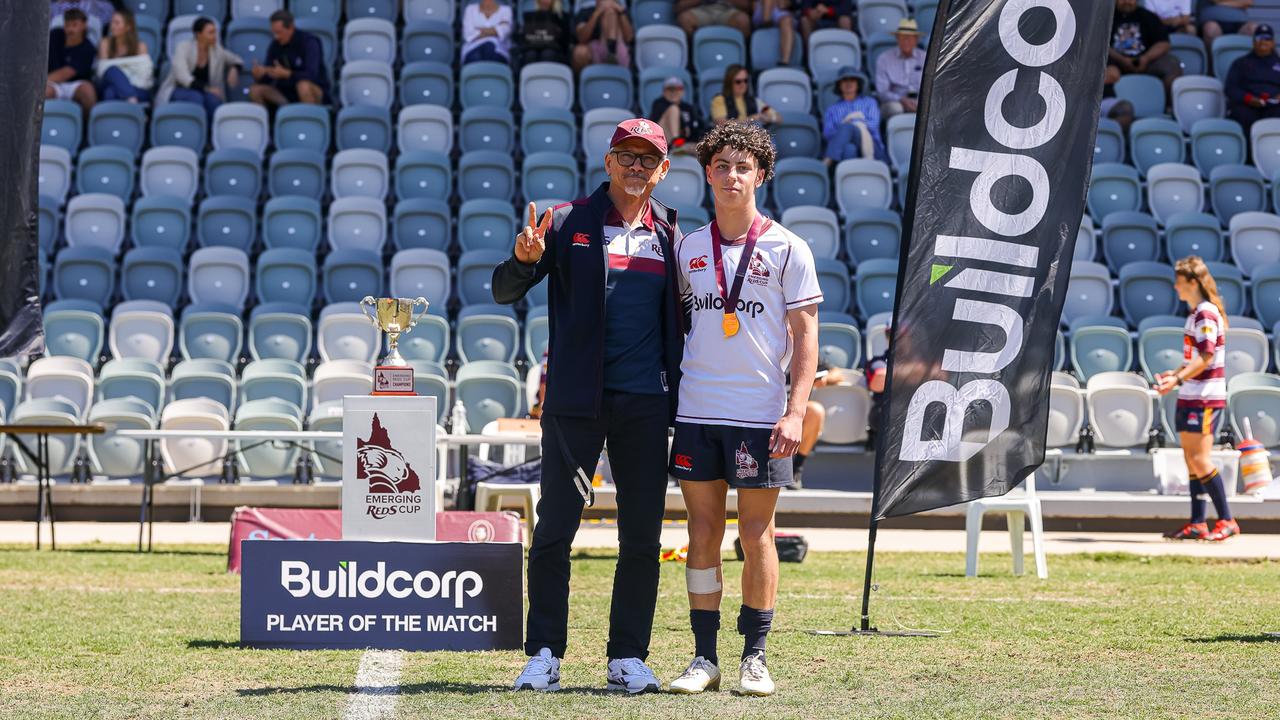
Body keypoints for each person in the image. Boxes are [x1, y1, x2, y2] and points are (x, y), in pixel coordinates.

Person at [493, 118, 684, 694]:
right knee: (554, 529)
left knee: (642, 536)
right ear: (607, 163)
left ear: (662, 170)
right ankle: (545, 652)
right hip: (576, 404)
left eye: (646, 159)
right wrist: (526, 259)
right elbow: (505, 289)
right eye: (625, 156)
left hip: (646, 405)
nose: (635, 166)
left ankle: (627, 656)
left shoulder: (674, 233)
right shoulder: (568, 220)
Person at [667, 121, 822, 697]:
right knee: (702, 530)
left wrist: (794, 410)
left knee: (757, 533)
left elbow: (806, 338)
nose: (731, 176)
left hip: (761, 415)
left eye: (743, 167)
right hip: (697, 410)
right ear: (707, 173)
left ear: (760, 175)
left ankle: (754, 656)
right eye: (722, 166)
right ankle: (703, 657)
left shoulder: (788, 247)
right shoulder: (688, 247)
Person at [1156, 257, 1241, 542]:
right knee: (1191, 461)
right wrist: (1177, 373)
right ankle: (1197, 523)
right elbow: (1196, 359)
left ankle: (1227, 520)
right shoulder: (1195, 314)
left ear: (1192, 282)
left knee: (1200, 459)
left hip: (1205, 397)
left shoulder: (1206, 313)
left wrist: (1178, 379)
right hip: (1191, 394)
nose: (1176, 286)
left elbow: (1206, 358)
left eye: (1180, 281)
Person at [157, 17, 243, 120]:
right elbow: (182, 77)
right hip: (180, 89)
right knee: (195, 97)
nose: (215, 36)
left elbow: (237, 59)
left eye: (215, 32)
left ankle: (212, 132)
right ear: (199, 35)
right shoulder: (183, 47)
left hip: (204, 92)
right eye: (211, 33)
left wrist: (234, 69)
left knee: (213, 101)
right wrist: (208, 88)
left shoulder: (217, 50)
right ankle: (196, 131)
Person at [249, 10, 328, 109]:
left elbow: (311, 74)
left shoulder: (309, 42)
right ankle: (268, 122)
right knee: (255, 90)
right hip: (285, 93)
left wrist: (288, 74)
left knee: (303, 86)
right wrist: (260, 75)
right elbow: (269, 75)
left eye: (279, 33)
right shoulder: (275, 45)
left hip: (313, 90)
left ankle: (308, 121)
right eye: (274, 33)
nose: (276, 37)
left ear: (291, 27)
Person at [1106, 0, 1182, 96]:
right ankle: (1111, 107)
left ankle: (1169, 106)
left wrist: (1146, 58)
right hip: (1114, 63)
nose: (1126, 1)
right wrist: (1122, 60)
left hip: (1145, 63)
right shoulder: (1106, 18)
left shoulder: (1147, 16)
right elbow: (1099, 45)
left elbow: (1164, 43)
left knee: (1171, 63)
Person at [792, 362, 843, 488]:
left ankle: (796, 468)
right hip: (767, 408)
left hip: (794, 411)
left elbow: (837, 373)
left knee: (815, 411)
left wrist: (825, 379)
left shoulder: (803, 350)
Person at [822, 66, 884, 165]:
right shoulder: (832, 109)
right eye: (844, 80)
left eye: (853, 80)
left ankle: (826, 162)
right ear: (839, 85)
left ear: (858, 84)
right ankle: (850, 178)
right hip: (843, 148)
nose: (849, 83)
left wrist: (849, 123)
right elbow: (828, 134)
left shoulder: (870, 102)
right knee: (849, 149)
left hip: (872, 146)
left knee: (847, 127)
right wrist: (847, 130)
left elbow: (873, 126)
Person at [1225, 25, 1280, 131]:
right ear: (1253, 42)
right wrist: (1249, 99)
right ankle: (1247, 147)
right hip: (1248, 105)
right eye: (1259, 38)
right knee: (1240, 113)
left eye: (1267, 39)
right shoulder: (1241, 63)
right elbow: (1230, 88)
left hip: (1274, 106)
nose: (1263, 42)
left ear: (1273, 43)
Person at [47, 8, 98, 118]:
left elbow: (66, 73)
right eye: (67, 25)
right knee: (44, 92)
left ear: (84, 25)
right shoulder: (54, 36)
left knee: (87, 91)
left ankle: (86, 130)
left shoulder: (88, 48)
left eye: (75, 25)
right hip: (52, 83)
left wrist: (40, 83)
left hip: (75, 84)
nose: (70, 29)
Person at [96, 8, 153, 103]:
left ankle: (128, 100)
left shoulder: (140, 46)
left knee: (110, 93)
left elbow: (144, 74)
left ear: (128, 27)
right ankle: (131, 100)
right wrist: (127, 71)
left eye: (117, 23)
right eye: (112, 22)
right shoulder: (105, 43)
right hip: (118, 88)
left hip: (137, 88)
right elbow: (102, 70)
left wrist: (122, 81)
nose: (112, 26)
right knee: (112, 70)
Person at [875, 18, 925, 119]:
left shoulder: (925, 57)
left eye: (910, 38)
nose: (906, 41)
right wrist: (901, 99)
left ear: (916, 40)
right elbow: (882, 92)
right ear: (897, 38)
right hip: (896, 102)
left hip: (921, 101)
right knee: (895, 108)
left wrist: (920, 102)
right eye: (903, 37)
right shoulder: (884, 58)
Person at [571, 0, 634, 72]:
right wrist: (597, 13)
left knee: (611, 13)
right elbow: (581, 38)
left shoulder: (621, 11)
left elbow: (629, 38)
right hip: (594, 52)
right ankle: (586, 81)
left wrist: (620, 12)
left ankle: (611, 53)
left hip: (619, 53)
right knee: (580, 52)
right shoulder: (586, 12)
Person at [710, 64, 780, 126]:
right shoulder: (720, 99)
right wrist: (751, 119)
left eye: (745, 81)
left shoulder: (754, 101)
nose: (743, 84)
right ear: (729, 82)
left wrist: (768, 118)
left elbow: (778, 118)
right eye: (738, 82)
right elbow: (722, 124)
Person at [649, 76, 703, 154]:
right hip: (662, 143)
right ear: (664, 92)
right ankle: (676, 143)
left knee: (702, 148)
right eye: (670, 90)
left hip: (685, 143)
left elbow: (694, 130)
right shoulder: (659, 104)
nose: (673, 93)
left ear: (682, 91)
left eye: (677, 89)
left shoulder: (688, 108)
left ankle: (679, 147)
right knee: (673, 109)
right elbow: (654, 127)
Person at [520, 0, 571, 66]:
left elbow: (566, 42)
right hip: (532, 48)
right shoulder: (530, 17)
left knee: (547, 54)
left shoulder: (561, 17)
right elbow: (524, 38)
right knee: (530, 55)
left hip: (554, 50)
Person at [676, 0, 752, 39]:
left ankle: (738, 52)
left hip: (729, 11)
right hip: (701, 10)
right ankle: (698, 50)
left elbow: (747, 7)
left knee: (743, 21)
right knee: (685, 19)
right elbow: (679, 7)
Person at [754, 0, 797, 67]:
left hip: (782, 12)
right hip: (761, 10)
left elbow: (788, 4)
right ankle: (766, 21)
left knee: (787, 20)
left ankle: (784, 61)